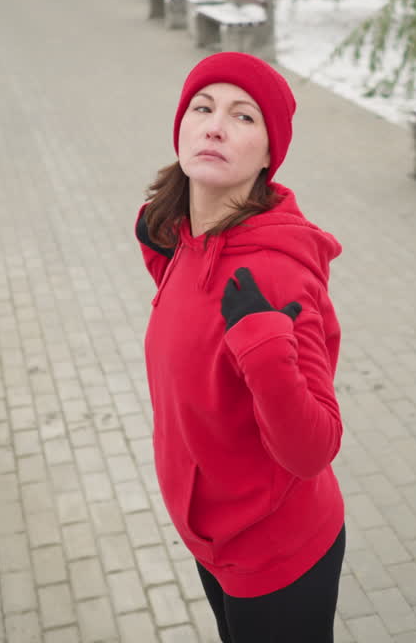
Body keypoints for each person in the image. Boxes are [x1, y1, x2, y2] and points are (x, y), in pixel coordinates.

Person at [134, 52, 346, 642]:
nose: (215, 125)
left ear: (269, 155)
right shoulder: (184, 237)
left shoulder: (277, 277)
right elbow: (197, 331)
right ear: (180, 127)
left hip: (276, 555)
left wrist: (262, 341)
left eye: (243, 116)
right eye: (202, 108)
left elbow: (313, 448)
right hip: (212, 538)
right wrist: (159, 250)